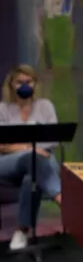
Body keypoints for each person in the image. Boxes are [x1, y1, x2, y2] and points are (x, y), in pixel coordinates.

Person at [0, 64, 62, 251]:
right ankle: (62, 199)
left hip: (41, 161)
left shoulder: (45, 106)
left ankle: (22, 230)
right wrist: (29, 149)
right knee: (32, 158)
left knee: (31, 178)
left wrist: (25, 149)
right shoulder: (2, 109)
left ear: (35, 84)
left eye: (29, 82)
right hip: (8, 163)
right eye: (20, 82)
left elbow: (53, 140)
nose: (25, 86)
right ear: (11, 85)